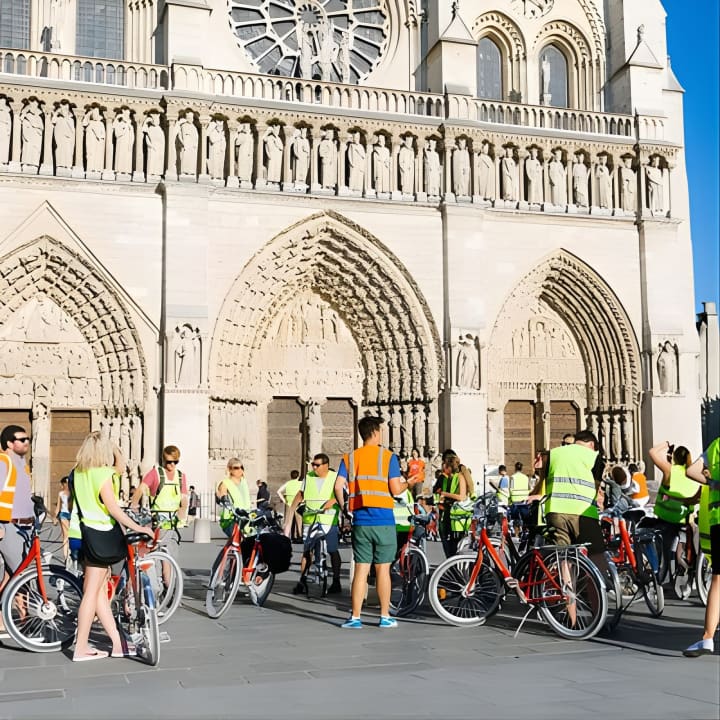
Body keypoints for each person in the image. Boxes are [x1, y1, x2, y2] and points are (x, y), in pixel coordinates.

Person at [334, 416, 422, 628]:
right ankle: (384, 616)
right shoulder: (387, 457)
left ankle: (355, 617)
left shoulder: (350, 458)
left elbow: (337, 486)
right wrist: (410, 482)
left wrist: (345, 507)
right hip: (384, 520)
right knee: (383, 569)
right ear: (374, 432)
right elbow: (395, 489)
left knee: (361, 570)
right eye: (380, 431)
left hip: (360, 521)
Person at [71, 432, 147, 661]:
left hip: (83, 535)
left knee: (99, 593)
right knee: (91, 593)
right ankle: (81, 647)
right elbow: (113, 508)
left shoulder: (77, 473)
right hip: (101, 535)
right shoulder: (104, 474)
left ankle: (117, 642)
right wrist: (139, 527)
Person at [532, 429, 607, 573]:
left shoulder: (553, 453)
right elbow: (595, 490)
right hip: (583, 513)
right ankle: (597, 587)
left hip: (555, 511)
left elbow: (542, 482)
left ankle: (566, 586)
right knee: (596, 555)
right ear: (592, 445)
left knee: (563, 555)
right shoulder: (594, 457)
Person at [284, 453, 342, 595]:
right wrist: (291, 511)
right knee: (307, 551)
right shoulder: (308, 477)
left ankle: (336, 581)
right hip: (310, 519)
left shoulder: (335, 477)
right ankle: (302, 581)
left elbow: (343, 494)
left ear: (326, 465)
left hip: (328, 520)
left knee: (332, 550)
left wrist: (334, 501)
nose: (314, 467)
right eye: (313, 465)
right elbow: (300, 494)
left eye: (317, 465)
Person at [683, 437, 720, 657]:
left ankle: (707, 638)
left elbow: (691, 471)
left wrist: (713, 483)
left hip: (718, 519)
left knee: (718, 580)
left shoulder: (717, 445)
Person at [130, 445, 188, 568]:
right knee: (158, 558)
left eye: (175, 462)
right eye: (169, 462)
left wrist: (182, 515)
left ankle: (167, 580)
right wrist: (133, 508)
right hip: (158, 523)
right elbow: (140, 490)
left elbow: (184, 499)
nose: (172, 465)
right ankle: (159, 579)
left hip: (173, 524)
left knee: (169, 560)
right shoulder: (155, 473)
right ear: (163, 459)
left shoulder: (180, 476)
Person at [648, 441, 700, 565]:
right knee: (687, 549)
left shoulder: (670, 470)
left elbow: (652, 452)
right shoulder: (693, 474)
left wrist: (666, 444)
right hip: (684, 519)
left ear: (674, 457)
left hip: (666, 518)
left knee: (665, 555)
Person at [0, 425, 35, 602]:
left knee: (12, 576)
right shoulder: (3, 462)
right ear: (9, 443)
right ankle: (24, 616)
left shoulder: (22, 465)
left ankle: (15, 617)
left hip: (25, 527)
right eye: (22, 440)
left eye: (28, 439)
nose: (26, 442)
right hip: (9, 526)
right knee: (22, 575)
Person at [435, 451, 473, 558]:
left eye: (444, 464)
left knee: (455, 548)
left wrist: (444, 494)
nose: (442, 466)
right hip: (447, 515)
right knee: (449, 548)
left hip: (457, 519)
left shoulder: (459, 476)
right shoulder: (445, 478)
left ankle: (456, 566)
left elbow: (462, 497)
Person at [216, 459, 251, 537]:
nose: (240, 470)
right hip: (231, 520)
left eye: (242, 467)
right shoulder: (225, 483)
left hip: (246, 518)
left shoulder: (244, 482)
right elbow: (222, 498)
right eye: (236, 468)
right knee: (239, 540)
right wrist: (224, 500)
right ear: (229, 469)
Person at [277, 470, 302, 542]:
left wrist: (284, 500)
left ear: (291, 476)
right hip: (298, 503)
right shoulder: (301, 483)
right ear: (298, 476)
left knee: (288, 521)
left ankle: (286, 536)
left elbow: (278, 491)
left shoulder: (288, 483)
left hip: (289, 503)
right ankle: (299, 536)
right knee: (299, 522)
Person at [53, 476, 72, 561]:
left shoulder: (73, 492)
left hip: (72, 514)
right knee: (66, 536)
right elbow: (58, 507)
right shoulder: (61, 493)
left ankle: (70, 554)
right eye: (66, 483)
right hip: (64, 514)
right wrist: (55, 517)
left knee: (71, 535)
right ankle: (66, 556)